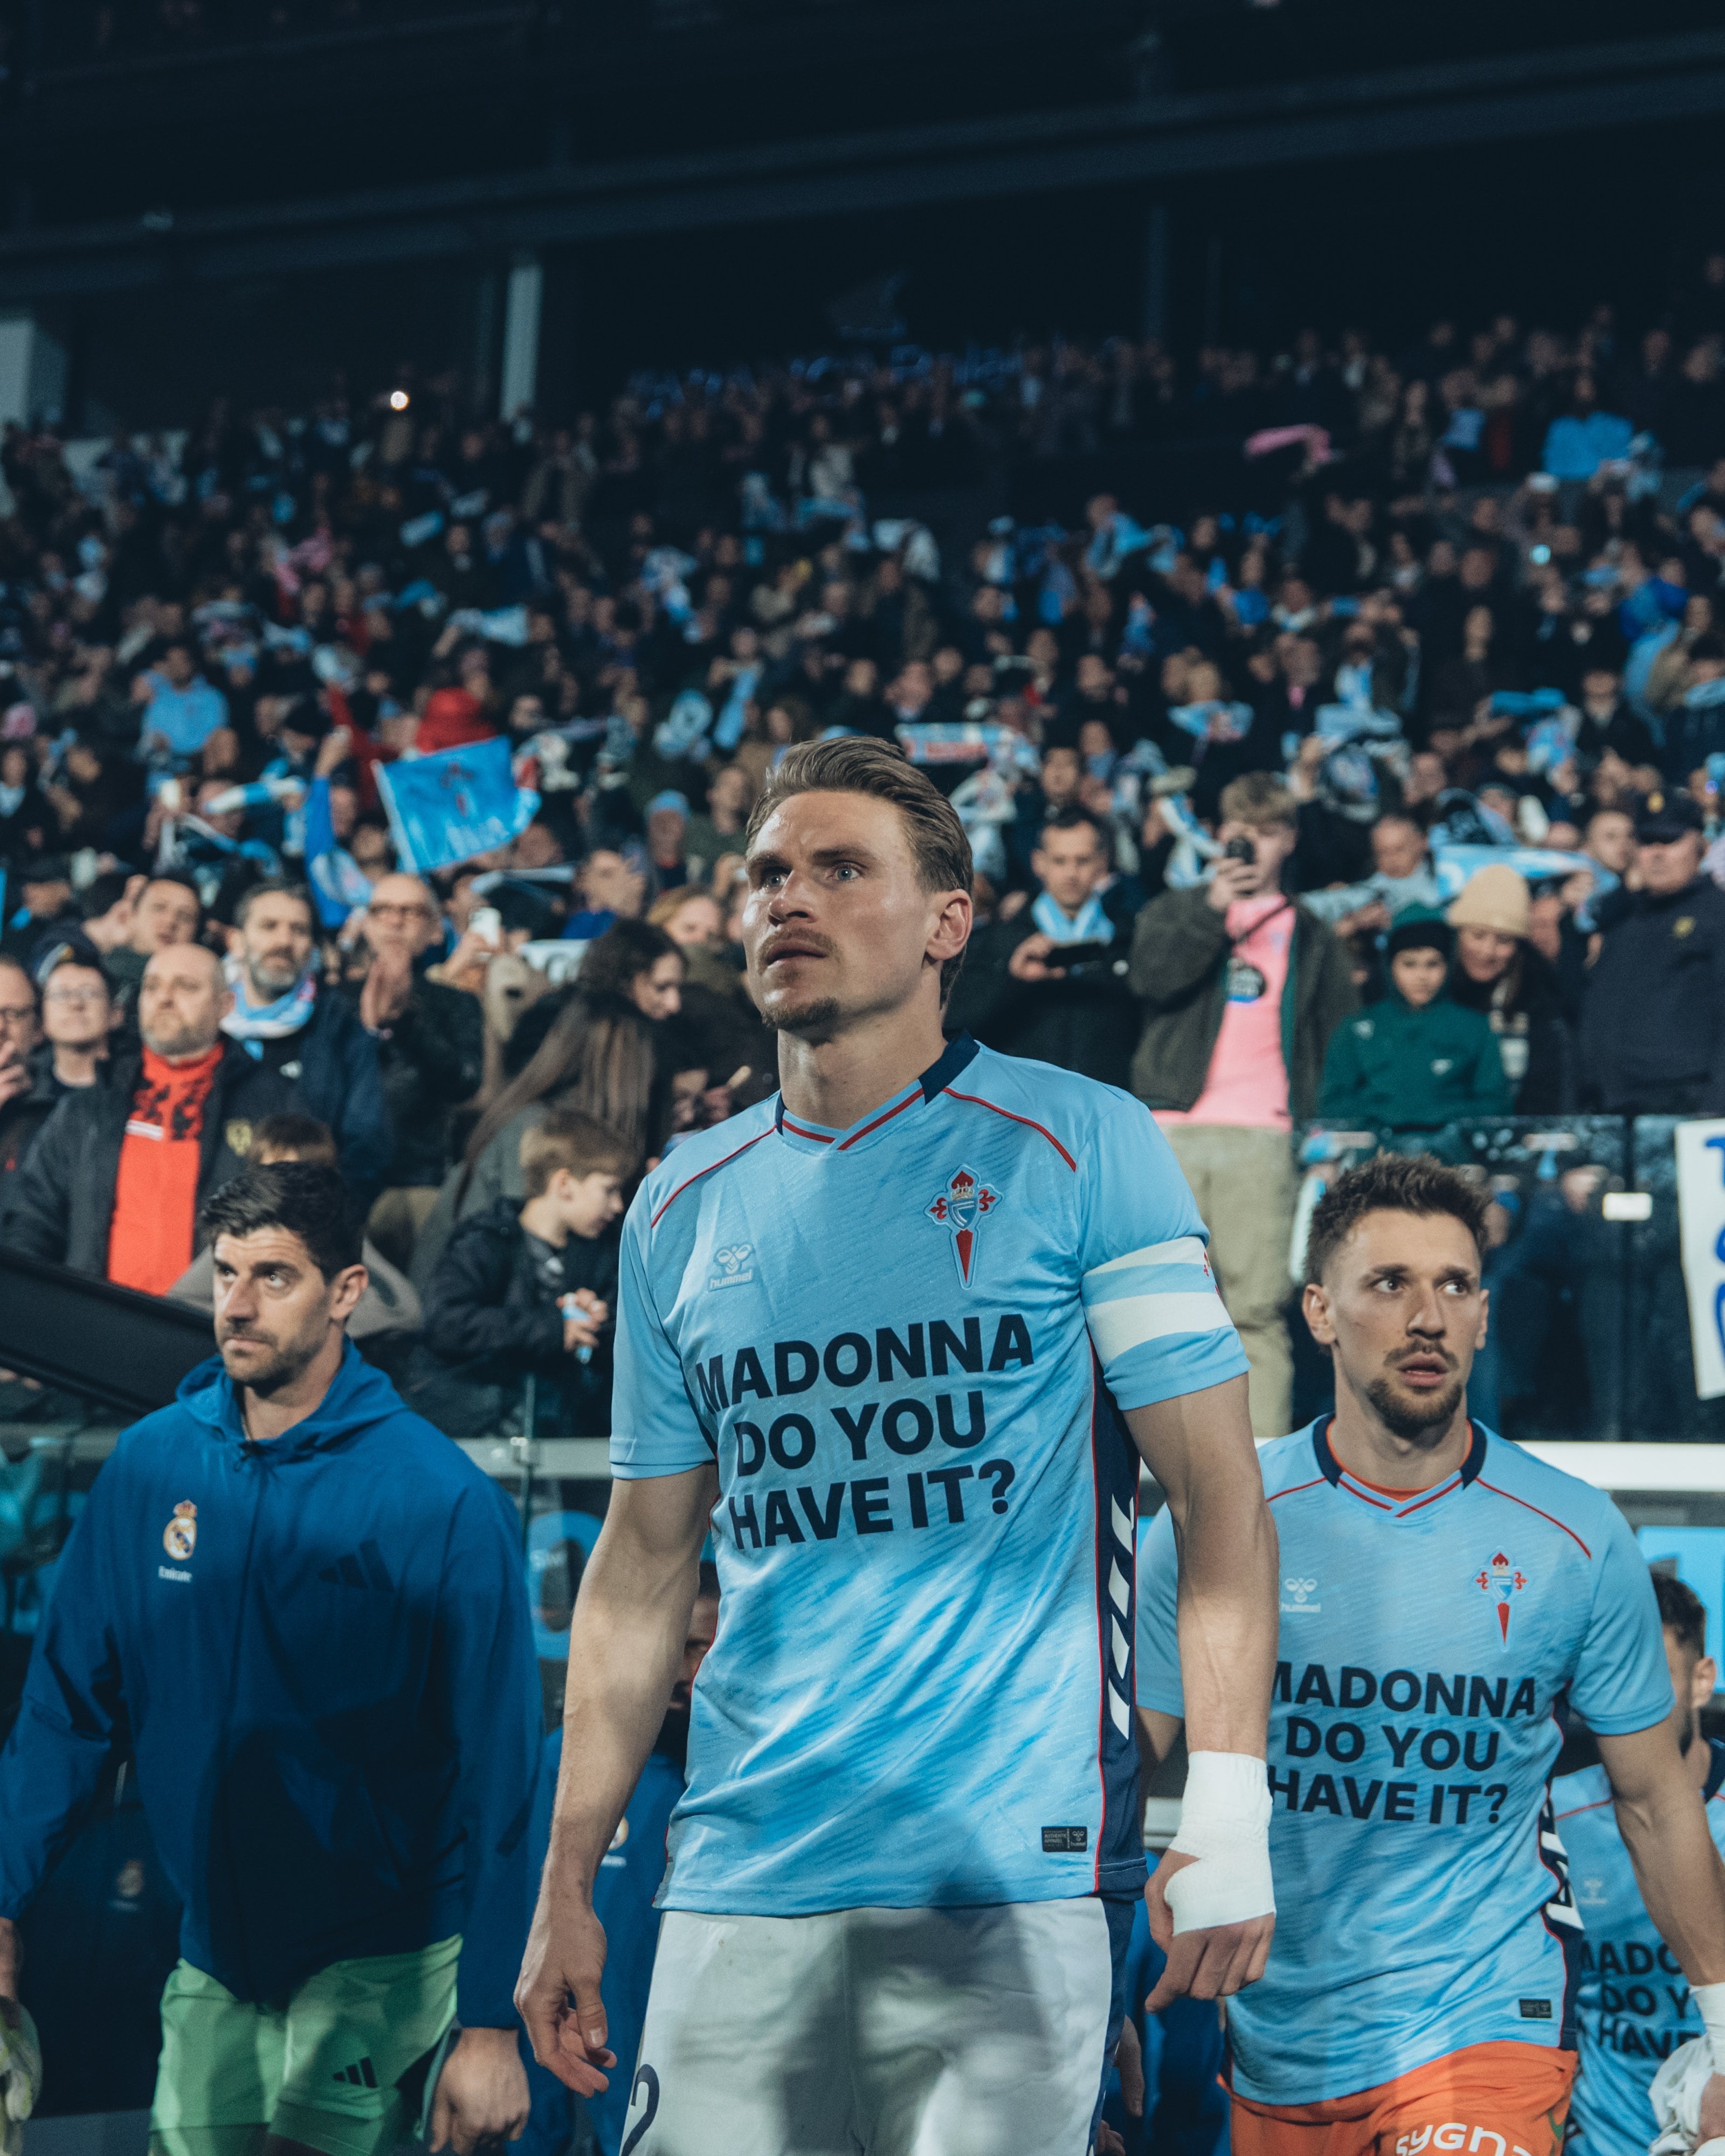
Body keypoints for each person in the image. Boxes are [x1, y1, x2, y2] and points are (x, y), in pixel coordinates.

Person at [517, 737, 1278, 2154]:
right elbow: (636, 1575)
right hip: (738, 1875)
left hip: (1008, 1880)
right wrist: (570, 1879)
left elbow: (1219, 1497)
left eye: (839, 867)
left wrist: (1226, 1807)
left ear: (948, 923)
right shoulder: (679, 1204)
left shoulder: (1084, 1141)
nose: (786, 899)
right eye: (765, 874)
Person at [1136, 1153, 1725, 2156]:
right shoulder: (1223, 1522)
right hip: (1281, 2044)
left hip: (1490, 2022)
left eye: (1455, 1285)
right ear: (1319, 1311)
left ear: (1485, 1316)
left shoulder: (1576, 1538)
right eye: (1389, 1284)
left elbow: (1656, 1802)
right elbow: (1120, 1773)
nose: (1427, 1316)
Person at [0, 1162, 540, 2156]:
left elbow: (502, 1776)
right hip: (213, 1954)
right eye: (225, 1272)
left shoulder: (441, 1501)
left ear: (346, 1294)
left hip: (386, 1956)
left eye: (274, 1278)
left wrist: (492, 2020)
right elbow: (67, 1713)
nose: (235, 1307)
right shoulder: (152, 1465)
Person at [1129, 772, 1357, 1438]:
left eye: (1264, 833)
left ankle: (1260, 1472)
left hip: (1263, 1136)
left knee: (1255, 1312)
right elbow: (1149, 980)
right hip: (1169, 1128)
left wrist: (1322, 1144)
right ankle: (1151, 1462)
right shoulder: (1177, 909)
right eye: (1239, 831)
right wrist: (1211, 907)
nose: (1250, 845)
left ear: (1286, 839)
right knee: (1151, 1310)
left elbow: (1336, 1039)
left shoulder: (1313, 933)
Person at [516, 1568, 721, 2156]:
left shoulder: (756, 1778)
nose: (692, 1671)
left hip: (712, 2072)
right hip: (600, 2068)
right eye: (681, 1648)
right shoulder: (573, 1770)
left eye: (711, 1649)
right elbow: (533, 1933)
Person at [3, 941, 296, 1288]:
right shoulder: (86, 1109)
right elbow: (33, 1220)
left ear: (225, 1004)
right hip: (92, 1323)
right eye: (153, 986)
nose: (165, 998)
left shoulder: (275, 1104)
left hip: (214, 1327)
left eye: (186, 986)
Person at [1556, 1572, 1725, 2156]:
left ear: (1701, 1680)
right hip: (1594, 2140)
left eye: (1651, 1679)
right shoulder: (1551, 1816)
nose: (1627, 1704)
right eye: (1609, 1679)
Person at [416, 1110, 630, 1438]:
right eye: (609, 1189)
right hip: (484, 1436)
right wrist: (555, 1329)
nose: (618, 1206)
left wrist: (598, 1326)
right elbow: (447, 1322)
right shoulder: (486, 1241)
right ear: (564, 1184)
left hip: (568, 1438)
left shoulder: (604, 1252)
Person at [168, 1114, 420, 1342]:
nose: (283, 1194)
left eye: (298, 1180)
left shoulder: (336, 1238)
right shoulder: (239, 1237)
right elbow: (179, 1302)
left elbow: (403, 1311)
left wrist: (304, 1322)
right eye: (271, 1178)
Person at [948, 805, 1141, 1089]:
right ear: (1039, 863)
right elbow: (955, 1026)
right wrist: (1011, 979)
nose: (1072, 873)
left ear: (1103, 863)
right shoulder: (997, 942)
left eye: (1083, 860)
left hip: (1100, 1109)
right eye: (1060, 861)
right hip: (1022, 1111)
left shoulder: (1128, 937)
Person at [224, 880, 391, 1207]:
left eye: (299, 930)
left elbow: (366, 1145)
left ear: (313, 949)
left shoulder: (343, 1030)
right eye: (269, 926)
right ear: (236, 941)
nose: (284, 941)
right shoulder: (203, 1023)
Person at [348, 874, 484, 1269]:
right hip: (346, 1183)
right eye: (383, 910)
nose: (395, 920)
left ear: (435, 931)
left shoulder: (457, 1004)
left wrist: (407, 1022)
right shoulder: (334, 998)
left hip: (422, 1186)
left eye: (411, 911)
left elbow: (465, 1082)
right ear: (367, 924)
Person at [1581, 791, 1725, 1115]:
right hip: (1608, 1109)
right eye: (1647, 842)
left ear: (1701, 847)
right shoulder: (1621, 920)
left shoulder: (1718, 916)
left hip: (1688, 1106)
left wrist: (1714, 1114)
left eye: (1670, 841)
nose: (1657, 854)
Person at [1319, 909, 1512, 1131]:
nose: (1422, 976)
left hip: (1451, 1155)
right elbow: (1332, 1105)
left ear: (1448, 966)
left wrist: (1442, 1120)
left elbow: (1495, 1106)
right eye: (1409, 964)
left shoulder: (1476, 1029)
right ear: (1391, 966)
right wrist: (1382, 1121)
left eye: (1432, 964)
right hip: (1376, 1154)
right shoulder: (1356, 1030)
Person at [1444, 865, 1573, 1112]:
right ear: (1459, 934)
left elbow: (1549, 1092)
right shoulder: (1434, 991)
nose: (1487, 952)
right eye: (1478, 935)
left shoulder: (1538, 1001)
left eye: (1503, 940)